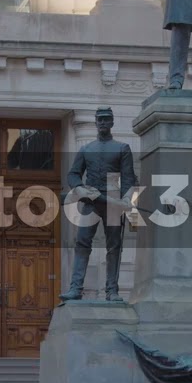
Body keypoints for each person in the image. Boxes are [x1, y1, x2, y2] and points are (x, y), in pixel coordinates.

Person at [61, 107, 138, 302]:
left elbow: (128, 178)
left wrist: (127, 200)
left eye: (106, 119)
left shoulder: (122, 148)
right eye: (100, 119)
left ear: (112, 122)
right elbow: (73, 174)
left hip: (113, 203)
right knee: (82, 243)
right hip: (91, 202)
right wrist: (79, 188)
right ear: (96, 122)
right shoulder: (86, 149)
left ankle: (112, 290)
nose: (103, 122)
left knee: (114, 246)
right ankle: (75, 289)